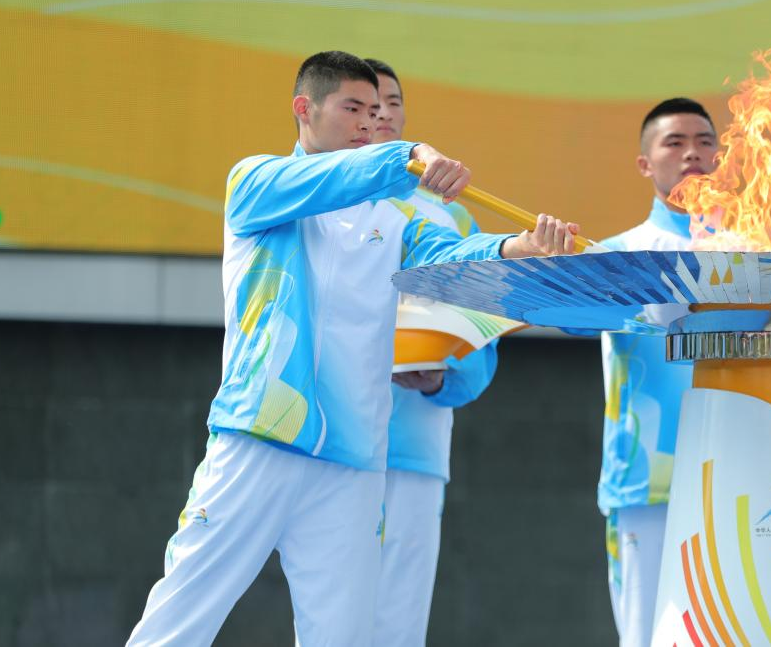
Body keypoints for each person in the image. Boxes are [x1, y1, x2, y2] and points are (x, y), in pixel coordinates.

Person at [128, 51, 578, 646]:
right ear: (303, 109)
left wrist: (520, 248)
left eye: (377, 112)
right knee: (182, 616)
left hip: (353, 460)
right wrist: (408, 155)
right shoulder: (257, 185)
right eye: (353, 109)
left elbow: (451, 259)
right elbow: (338, 176)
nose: (369, 122)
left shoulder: (394, 221)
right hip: (261, 437)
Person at [362, 58, 497, 646]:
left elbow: (477, 340)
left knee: (398, 620)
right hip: (328, 440)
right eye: (365, 105)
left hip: (413, 447)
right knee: (325, 612)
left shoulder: (452, 216)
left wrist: (443, 379)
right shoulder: (318, 202)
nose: (381, 114)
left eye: (391, 102)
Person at [598, 98, 720, 647]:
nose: (692, 154)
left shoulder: (758, 254)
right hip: (651, 478)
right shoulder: (616, 254)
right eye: (675, 142)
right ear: (645, 163)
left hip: (737, 476)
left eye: (704, 142)